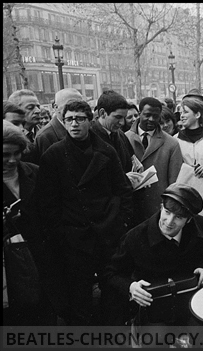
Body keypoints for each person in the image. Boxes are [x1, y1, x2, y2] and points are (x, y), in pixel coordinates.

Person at [34, 100, 133, 326]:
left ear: (90, 120)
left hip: (107, 234)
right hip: (74, 240)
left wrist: (120, 222)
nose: (75, 124)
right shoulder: (54, 155)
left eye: (80, 119)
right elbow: (47, 205)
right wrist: (61, 234)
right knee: (79, 300)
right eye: (69, 119)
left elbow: (123, 190)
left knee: (111, 294)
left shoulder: (106, 151)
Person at [103, 184, 203, 326]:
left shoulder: (201, 227)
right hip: (155, 312)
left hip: (193, 305)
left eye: (178, 217)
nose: (169, 222)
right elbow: (110, 273)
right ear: (161, 207)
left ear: (189, 220)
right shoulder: (135, 238)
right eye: (167, 212)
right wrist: (131, 287)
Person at [3, 120, 55, 326]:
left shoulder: (35, 171)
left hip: (40, 257)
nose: (12, 160)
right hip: (10, 268)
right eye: (4, 155)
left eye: (16, 153)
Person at [125, 97, 183, 225]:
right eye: (147, 115)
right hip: (130, 207)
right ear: (139, 114)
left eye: (155, 116)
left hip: (158, 208)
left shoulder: (171, 144)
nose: (151, 119)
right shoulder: (124, 139)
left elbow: (175, 181)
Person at [34, 88, 83, 163]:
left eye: (80, 106)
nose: (76, 109)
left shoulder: (84, 128)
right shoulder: (45, 136)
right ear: (56, 107)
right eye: (70, 106)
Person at [91, 90, 135, 174]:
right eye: (118, 117)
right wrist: (123, 179)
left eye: (124, 117)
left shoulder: (120, 134)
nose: (122, 122)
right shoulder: (90, 138)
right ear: (102, 113)